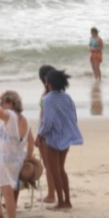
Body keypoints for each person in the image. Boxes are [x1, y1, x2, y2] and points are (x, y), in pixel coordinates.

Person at [0, 90, 35, 218]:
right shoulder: (24, 120)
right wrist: (28, 157)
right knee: (9, 192)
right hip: (16, 160)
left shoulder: (9, 116)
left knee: (6, 192)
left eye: (4, 102)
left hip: (4, 159)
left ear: (12, 103)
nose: (1, 105)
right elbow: (31, 143)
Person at [37, 68, 83, 210]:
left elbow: (48, 121)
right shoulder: (67, 97)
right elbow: (73, 116)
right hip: (67, 135)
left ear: (49, 84)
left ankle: (61, 202)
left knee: (54, 170)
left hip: (54, 137)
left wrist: (40, 134)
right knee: (61, 169)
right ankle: (67, 200)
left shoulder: (47, 99)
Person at [36, 65, 58, 204]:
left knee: (49, 165)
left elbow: (46, 117)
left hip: (46, 132)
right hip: (53, 131)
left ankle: (51, 194)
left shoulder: (47, 95)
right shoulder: (56, 93)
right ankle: (54, 193)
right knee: (53, 164)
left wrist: (40, 134)